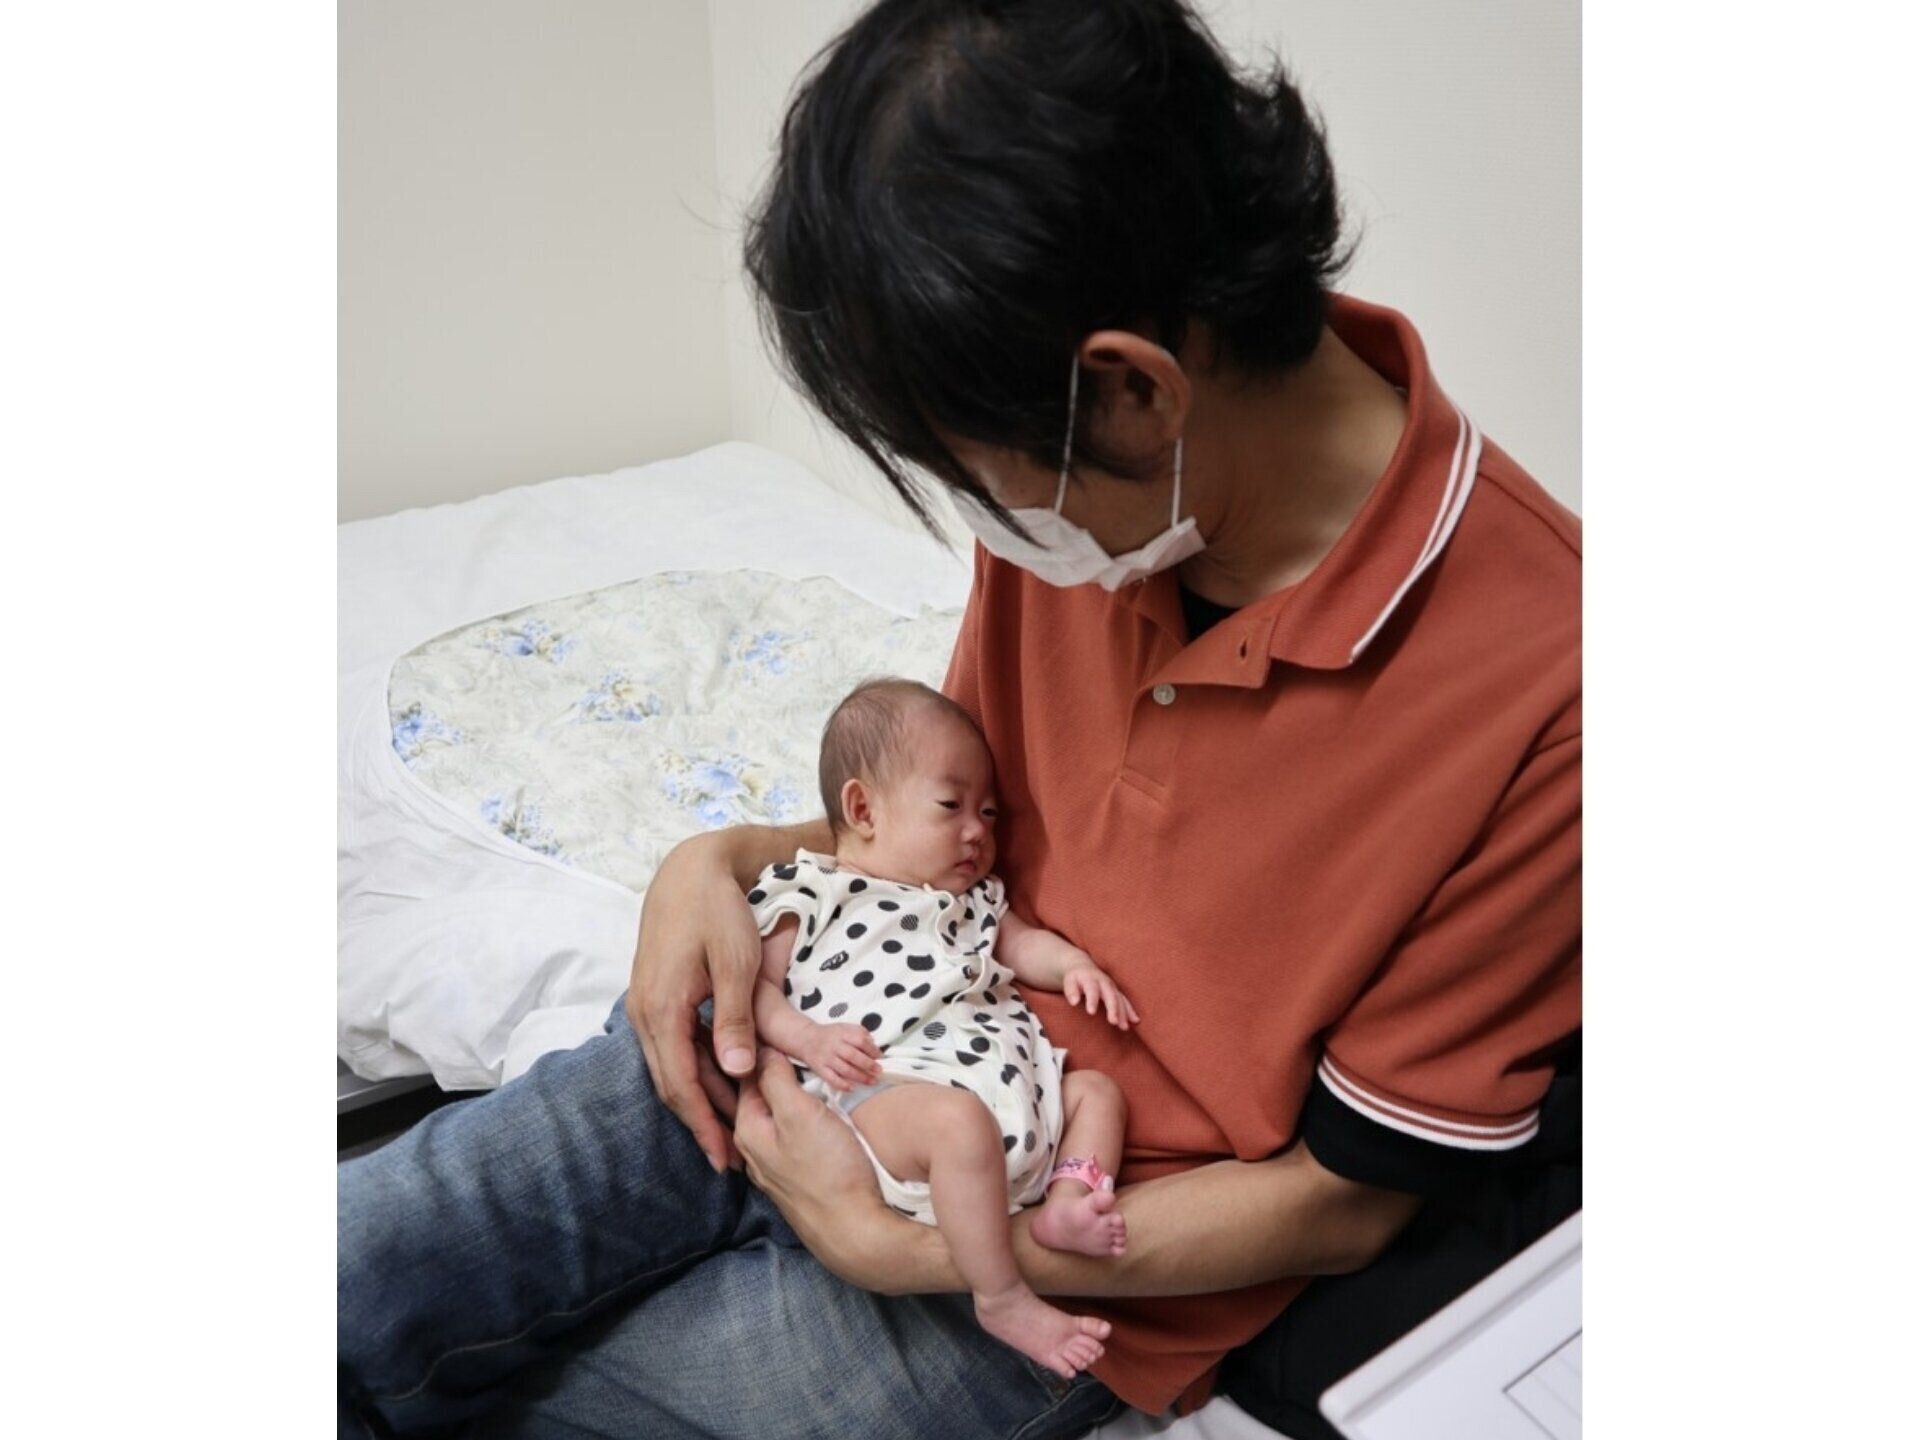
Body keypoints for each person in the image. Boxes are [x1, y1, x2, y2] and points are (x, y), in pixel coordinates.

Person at [337, 3, 1580, 1437]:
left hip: (1043, 1213)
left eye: (970, 474)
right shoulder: (1097, 503)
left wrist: (911, 1250)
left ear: (1133, 393)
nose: (981, 520)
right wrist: (719, 859)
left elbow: (1346, 1206)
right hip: (825, 1023)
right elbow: (943, 832)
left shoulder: (1553, 689)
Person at [748, 676, 1136, 1380]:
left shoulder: (976, 902)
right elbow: (759, 997)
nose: (978, 830)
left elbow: (1024, 945)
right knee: (957, 1125)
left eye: (988, 813)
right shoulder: (813, 890)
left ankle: (1067, 1204)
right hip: (889, 1097)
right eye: (951, 806)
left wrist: (1075, 965)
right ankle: (1002, 1297)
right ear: (863, 809)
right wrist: (810, 1040)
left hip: (1015, 1107)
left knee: (1099, 1093)